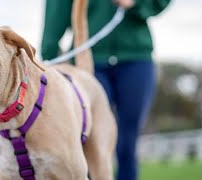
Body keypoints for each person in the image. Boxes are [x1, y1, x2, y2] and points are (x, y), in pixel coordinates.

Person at [41, 0, 171, 180]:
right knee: (84, 140)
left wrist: (136, 3)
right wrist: (50, 56)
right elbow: (56, 9)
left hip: (135, 59)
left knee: (127, 144)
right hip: (88, 60)